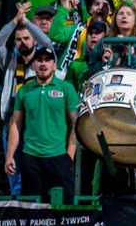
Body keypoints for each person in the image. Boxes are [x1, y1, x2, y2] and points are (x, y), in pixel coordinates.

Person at [6, 46, 82, 204]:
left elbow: (76, 123)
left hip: (59, 156)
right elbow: (15, 125)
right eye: (39, 60)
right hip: (31, 157)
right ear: (33, 65)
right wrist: (10, 155)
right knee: (33, 211)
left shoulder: (66, 88)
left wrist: (69, 156)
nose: (43, 64)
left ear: (54, 65)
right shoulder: (24, 90)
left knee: (63, 207)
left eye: (47, 60)